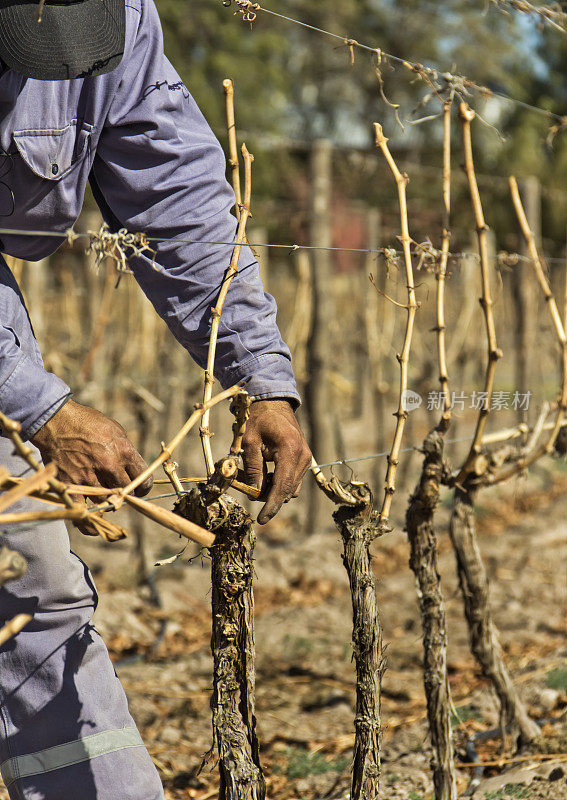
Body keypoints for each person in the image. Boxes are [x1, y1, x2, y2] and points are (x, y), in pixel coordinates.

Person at [0, 0, 312, 795]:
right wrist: (43, 408)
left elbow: (177, 200)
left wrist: (260, 378)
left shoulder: (127, 23)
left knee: (31, 589)